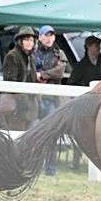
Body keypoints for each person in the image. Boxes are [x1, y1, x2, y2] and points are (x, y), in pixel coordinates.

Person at [68, 35, 101, 169]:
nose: (98, 47)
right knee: (81, 132)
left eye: (99, 45)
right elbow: (72, 83)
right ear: (88, 47)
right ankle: (75, 162)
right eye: (95, 45)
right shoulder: (80, 66)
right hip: (85, 105)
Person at [34, 25, 69, 175]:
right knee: (34, 132)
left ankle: (50, 168)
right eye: (46, 35)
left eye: (51, 35)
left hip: (51, 100)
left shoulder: (58, 53)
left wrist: (42, 75)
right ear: (40, 37)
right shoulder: (33, 53)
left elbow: (59, 71)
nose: (49, 38)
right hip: (34, 99)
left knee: (50, 134)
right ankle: (36, 166)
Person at [1, 26, 40, 131]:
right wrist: (21, 100)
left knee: (27, 134)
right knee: (16, 133)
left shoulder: (31, 57)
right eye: (26, 39)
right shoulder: (12, 55)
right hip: (16, 104)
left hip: (30, 103)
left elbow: (33, 79)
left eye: (31, 40)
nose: (29, 42)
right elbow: (10, 81)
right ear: (20, 41)